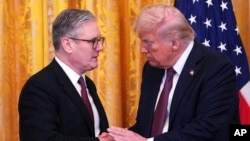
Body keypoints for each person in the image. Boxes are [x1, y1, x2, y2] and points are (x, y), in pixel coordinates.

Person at [108, 3, 239, 141]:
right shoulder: (152, 69)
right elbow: (147, 126)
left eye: (149, 42)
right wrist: (119, 137)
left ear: (174, 43)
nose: (142, 49)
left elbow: (206, 128)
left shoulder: (215, 68)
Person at [18, 8, 113, 141]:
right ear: (68, 44)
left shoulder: (88, 85)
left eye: (99, 40)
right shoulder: (39, 88)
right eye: (93, 41)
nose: (100, 47)